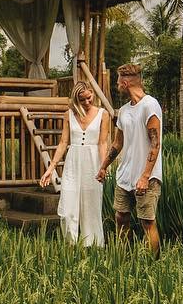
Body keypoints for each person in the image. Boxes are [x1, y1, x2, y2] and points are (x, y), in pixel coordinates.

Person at [96, 63, 162, 256]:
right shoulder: (124, 110)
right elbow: (117, 143)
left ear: (125, 83)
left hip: (146, 178)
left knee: (147, 221)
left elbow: (155, 144)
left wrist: (145, 176)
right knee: (121, 217)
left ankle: (154, 263)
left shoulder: (150, 105)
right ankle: (124, 259)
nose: (117, 85)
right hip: (124, 176)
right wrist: (104, 166)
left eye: (118, 82)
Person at [40, 81, 111, 246]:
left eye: (89, 98)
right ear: (76, 99)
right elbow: (63, 142)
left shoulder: (103, 114)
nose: (87, 102)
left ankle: (93, 245)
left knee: (91, 206)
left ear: (92, 93)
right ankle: (70, 245)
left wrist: (103, 167)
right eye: (82, 99)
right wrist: (50, 169)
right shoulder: (69, 114)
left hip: (93, 163)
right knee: (67, 206)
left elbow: (102, 143)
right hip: (73, 163)